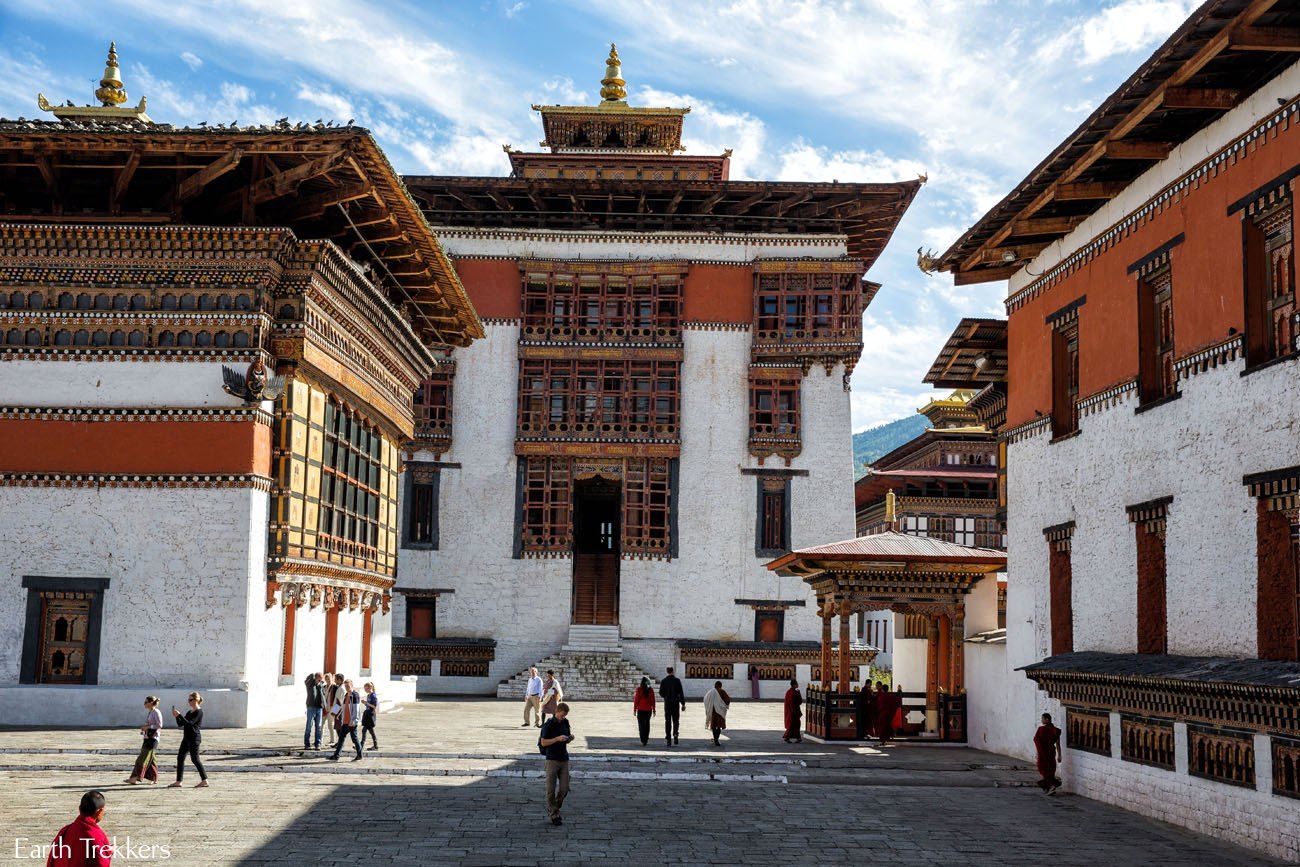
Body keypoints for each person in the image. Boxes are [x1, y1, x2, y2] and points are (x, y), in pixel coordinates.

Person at [45, 790, 111, 867]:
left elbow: (53, 858)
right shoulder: (96, 836)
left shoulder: (66, 830)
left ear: (79, 809)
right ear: (100, 811)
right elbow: (101, 863)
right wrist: (107, 852)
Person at [539, 702, 574, 826]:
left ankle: (554, 806)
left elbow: (567, 736)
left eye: (565, 715)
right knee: (550, 789)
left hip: (564, 758)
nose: (563, 717)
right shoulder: (549, 724)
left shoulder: (565, 722)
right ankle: (554, 814)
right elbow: (543, 742)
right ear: (557, 712)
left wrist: (569, 738)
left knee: (564, 788)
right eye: (562, 715)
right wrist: (556, 739)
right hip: (552, 759)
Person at [168, 692, 207, 788]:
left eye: (190, 700)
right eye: (188, 700)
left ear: (196, 700)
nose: (189, 702)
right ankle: (178, 781)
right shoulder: (189, 712)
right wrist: (177, 717)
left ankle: (205, 780)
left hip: (194, 738)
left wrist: (180, 715)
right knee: (180, 758)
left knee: (195, 759)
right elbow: (181, 724)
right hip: (186, 738)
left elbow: (190, 724)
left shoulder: (199, 712)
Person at [124, 696, 162, 784]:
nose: (144, 704)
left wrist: (147, 727)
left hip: (153, 739)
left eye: (146, 702)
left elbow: (159, 725)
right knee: (151, 759)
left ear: (151, 703)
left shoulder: (156, 712)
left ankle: (134, 778)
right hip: (148, 737)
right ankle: (153, 778)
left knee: (142, 758)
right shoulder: (151, 712)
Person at [328, 679, 363, 762]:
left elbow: (356, 709)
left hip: (351, 722)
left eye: (348, 686)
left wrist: (354, 720)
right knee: (341, 738)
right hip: (345, 722)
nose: (347, 687)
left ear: (352, 685)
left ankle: (360, 754)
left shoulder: (355, 695)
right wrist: (338, 714)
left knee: (354, 739)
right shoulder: (346, 695)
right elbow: (343, 707)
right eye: (346, 686)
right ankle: (336, 755)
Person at [1034, 712, 1063, 794]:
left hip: (1044, 752)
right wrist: (1059, 755)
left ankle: (1052, 785)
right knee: (1049, 769)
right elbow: (1057, 743)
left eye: (1042, 718)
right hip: (1051, 752)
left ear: (1047, 719)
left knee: (1043, 768)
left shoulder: (1041, 729)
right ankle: (1048, 788)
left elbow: (1037, 740)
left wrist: (1039, 752)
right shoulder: (1055, 730)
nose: (1041, 720)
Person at [659, 666, 686, 746]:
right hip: (675, 703)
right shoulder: (677, 681)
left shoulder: (664, 681)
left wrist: (666, 696)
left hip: (667, 703)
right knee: (676, 720)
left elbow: (661, 693)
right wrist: (683, 704)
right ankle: (675, 734)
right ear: (673, 671)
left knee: (667, 721)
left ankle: (668, 739)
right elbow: (681, 693)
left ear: (667, 672)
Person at [702, 681, 730, 746]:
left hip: (712, 712)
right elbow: (727, 700)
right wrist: (725, 706)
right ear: (720, 686)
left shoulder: (710, 692)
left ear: (715, 685)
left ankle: (715, 739)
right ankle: (716, 739)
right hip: (719, 712)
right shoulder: (722, 691)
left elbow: (705, 699)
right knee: (719, 726)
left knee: (714, 726)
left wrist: (708, 707)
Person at [304, 672, 325, 751]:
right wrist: (313, 675)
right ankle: (307, 744)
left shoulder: (321, 686)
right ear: (315, 678)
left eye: (321, 679)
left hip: (319, 708)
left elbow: (323, 695)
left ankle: (318, 744)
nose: (320, 681)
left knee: (318, 727)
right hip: (311, 707)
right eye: (319, 679)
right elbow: (306, 679)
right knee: (309, 726)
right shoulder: (310, 685)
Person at [632, 677, 656, 745]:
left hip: (640, 710)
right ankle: (646, 738)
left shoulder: (639, 689)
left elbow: (636, 700)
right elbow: (653, 700)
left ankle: (642, 739)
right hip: (648, 710)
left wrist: (634, 709)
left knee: (641, 725)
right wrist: (654, 710)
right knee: (647, 724)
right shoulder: (650, 690)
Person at [874, 681, 899, 746]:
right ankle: (887, 738)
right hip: (889, 714)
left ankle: (883, 741)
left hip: (883, 713)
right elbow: (897, 702)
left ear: (882, 689)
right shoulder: (890, 695)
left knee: (882, 728)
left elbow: (879, 705)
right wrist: (899, 691)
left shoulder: (882, 696)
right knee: (887, 726)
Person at [360, 681, 379, 751]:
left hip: (370, 714)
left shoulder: (373, 695)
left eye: (366, 688)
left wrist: (366, 703)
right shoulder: (368, 695)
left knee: (365, 730)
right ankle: (375, 745)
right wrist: (365, 703)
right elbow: (368, 705)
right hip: (367, 713)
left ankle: (361, 745)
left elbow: (374, 706)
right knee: (369, 731)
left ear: (370, 687)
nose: (365, 690)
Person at [782, 679, 803, 743]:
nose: (798, 685)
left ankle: (798, 738)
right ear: (794, 685)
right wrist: (799, 694)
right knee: (792, 725)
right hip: (793, 711)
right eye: (796, 684)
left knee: (796, 724)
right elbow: (799, 702)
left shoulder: (789, 692)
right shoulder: (793, 693)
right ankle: (787, 737)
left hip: (791, 711)